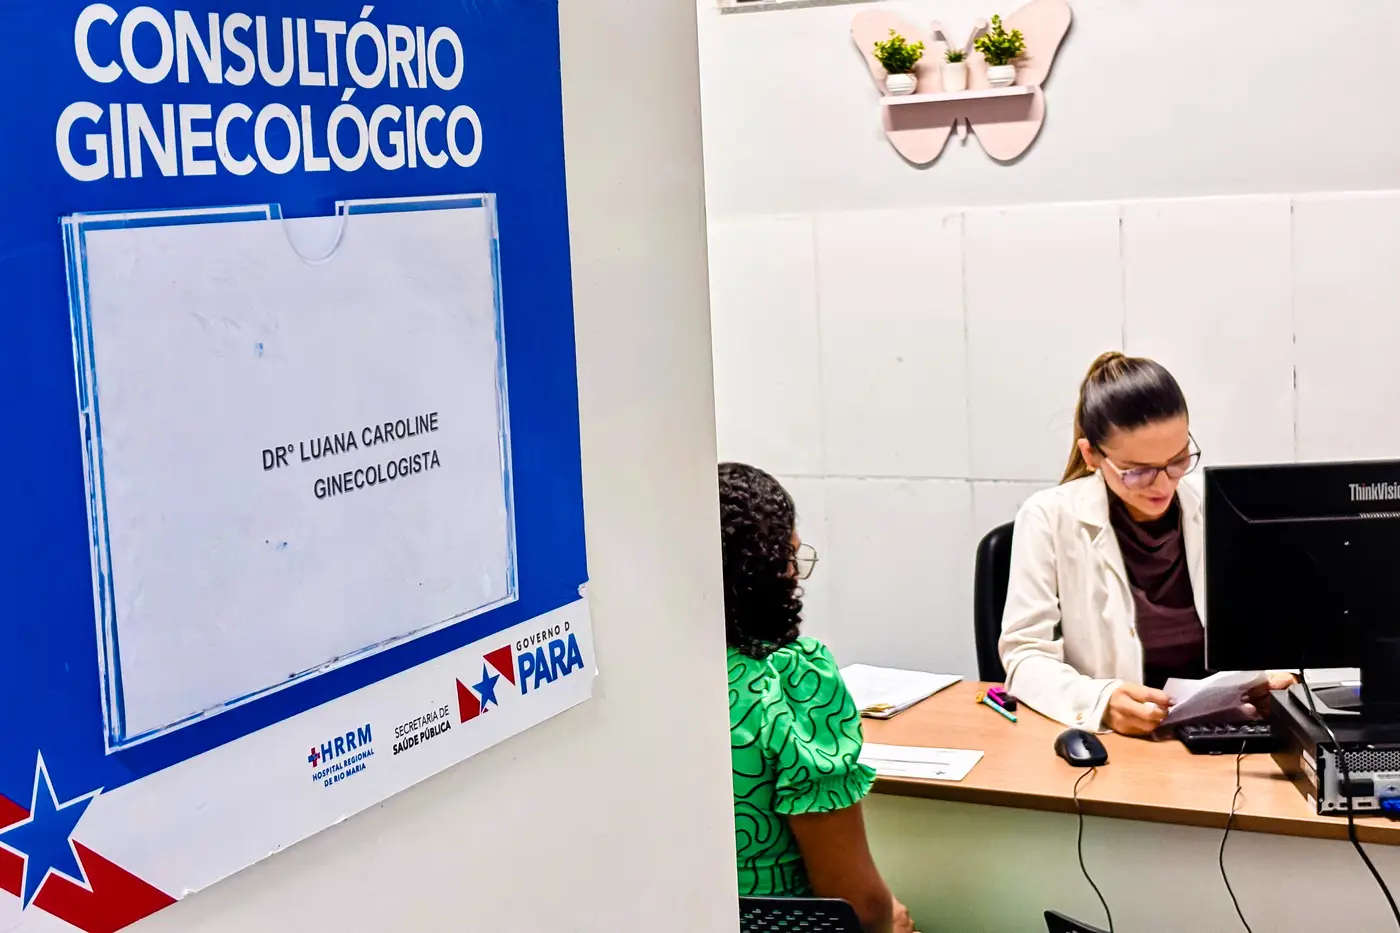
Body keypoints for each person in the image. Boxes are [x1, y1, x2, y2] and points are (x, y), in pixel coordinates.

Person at [998, 353, 1295, 736]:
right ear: (1092, 455)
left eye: (1178, 460)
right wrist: (1101, 701)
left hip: (1220, 734)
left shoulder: (1218, 508)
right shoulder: (1049, 518)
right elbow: (1024, 656)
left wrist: (1273, 680)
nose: (1163, 483)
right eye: (1138, 471)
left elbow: (1265, 631)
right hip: (1117, 744)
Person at [720, 462, 916, 933]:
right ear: (774, 569)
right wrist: (892, 918)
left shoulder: (643, 678)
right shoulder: (791, 682)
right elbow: (858, 904)